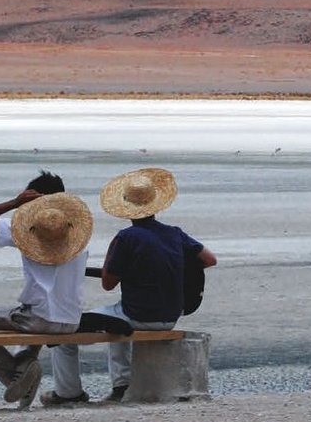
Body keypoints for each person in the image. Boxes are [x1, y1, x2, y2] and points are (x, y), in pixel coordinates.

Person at [83, 167, 216, 404]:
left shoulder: (126, 237)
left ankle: (120, 385)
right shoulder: (175, 234)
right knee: (115, 316)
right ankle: (122, 384)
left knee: (105, 318)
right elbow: (209, 259)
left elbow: (107, 283)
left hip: (139, 315)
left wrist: (114, 253)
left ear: (126, 207)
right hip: (171, 314)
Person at [0, 171, 93, 409]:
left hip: (40, 319)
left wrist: (16, 203)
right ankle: (25, 372)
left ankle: (15, 373)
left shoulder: (30, 232)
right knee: (28, 315)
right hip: (71, 320)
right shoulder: (77, 234)